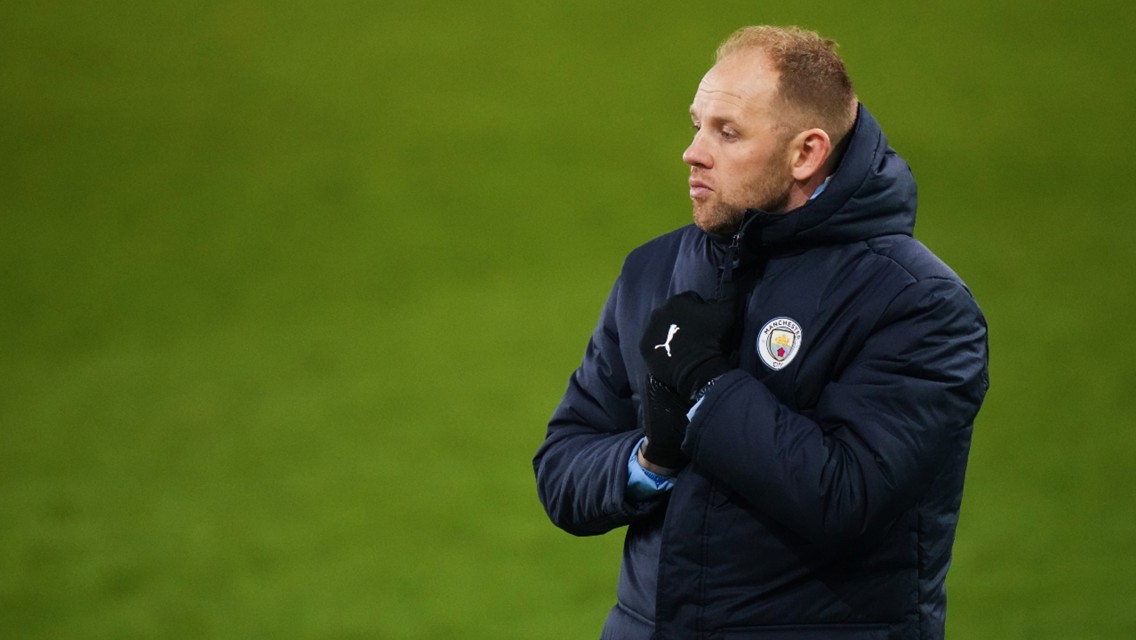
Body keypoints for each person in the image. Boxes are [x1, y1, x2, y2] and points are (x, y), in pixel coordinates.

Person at [532, 25, 990, 640]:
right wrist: (650, 458)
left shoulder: (919, 305)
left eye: (727, 132)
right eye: (697, 124)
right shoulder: (656, 271)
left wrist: (705, 388)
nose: (693, 151)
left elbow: (846, 496)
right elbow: (562, 465)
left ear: (806, 153)